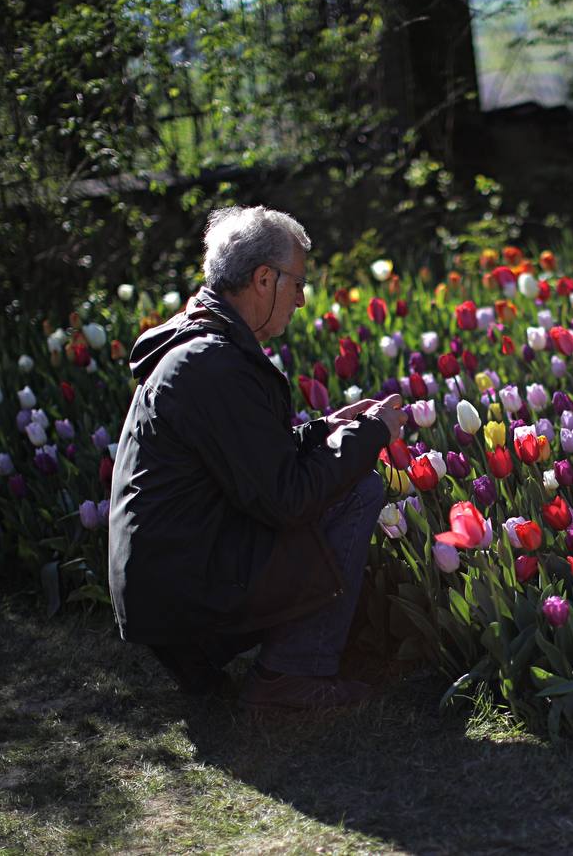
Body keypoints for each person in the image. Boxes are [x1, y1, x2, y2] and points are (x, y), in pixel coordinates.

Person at [108, 205, 406, 711]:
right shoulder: (214, 363)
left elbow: (248, 464)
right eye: (297, 283)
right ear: (263, 279)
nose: (303, 298)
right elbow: (285, 499)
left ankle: (202, 651)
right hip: (184, 583)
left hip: (169, 574)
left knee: (337, 478)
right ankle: (292, 677)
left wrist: (323, 431)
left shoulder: (198, 343)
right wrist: (372, 434)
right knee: (359, 490)